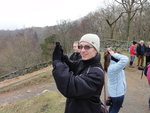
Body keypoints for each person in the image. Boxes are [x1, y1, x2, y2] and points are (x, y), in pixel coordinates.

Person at [52, 33, 104, 113]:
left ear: (96, 50)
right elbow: (72, 66)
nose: (82, 50)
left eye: (87, 47)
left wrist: (58, 63)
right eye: (80, 46)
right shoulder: (84, 62)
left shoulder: (96, 74)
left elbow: (71, 87)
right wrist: (62, 57)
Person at [104, 47, 129, 113]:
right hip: (117, 94)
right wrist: (113, 54)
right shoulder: (113, 68)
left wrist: (110, 52)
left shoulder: (112, 66)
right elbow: (125, 59)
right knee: (115, 110)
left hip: (114, 93)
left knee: (113, 108)